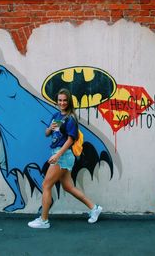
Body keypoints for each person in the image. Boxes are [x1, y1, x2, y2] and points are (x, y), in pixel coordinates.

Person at [28, 88, 103, 229]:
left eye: (64, 100)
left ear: (69, 102)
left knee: (46, 185)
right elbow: (46, 133)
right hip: (60, 154)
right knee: (68, 187)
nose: (62, 103)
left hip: (63, 155)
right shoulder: (56, 116)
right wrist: (50, 128)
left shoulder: (70, 119)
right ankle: (95, 208)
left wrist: (57, 155)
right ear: (57, 101)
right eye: (60, 100)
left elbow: (70, 140)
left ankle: (44, 220)